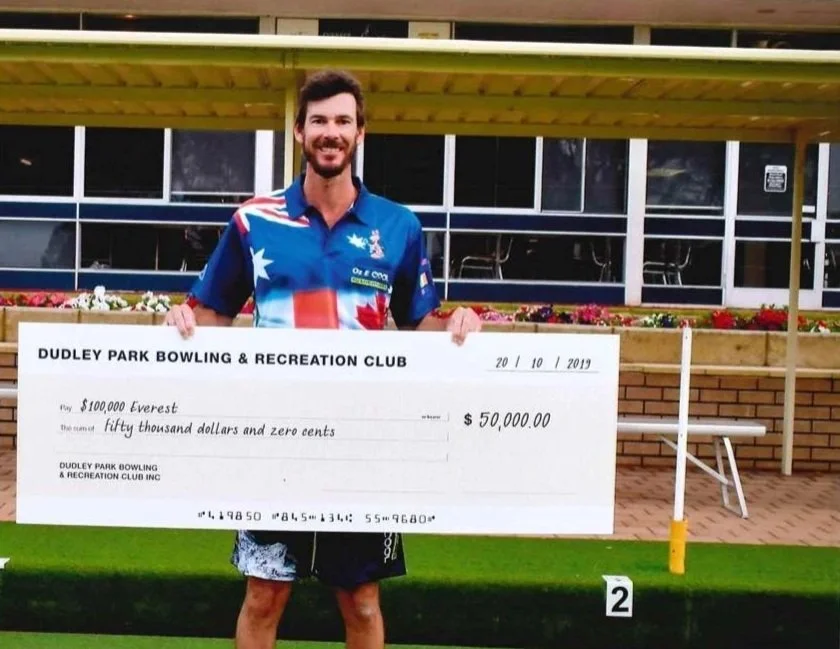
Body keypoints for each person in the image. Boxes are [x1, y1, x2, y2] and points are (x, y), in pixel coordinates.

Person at [164, 69, 482, 649]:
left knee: (361, 603)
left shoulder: (398, 225)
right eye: (319, 121)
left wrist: (455, 321)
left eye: (342, 121)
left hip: (364, 444)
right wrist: (180, 320)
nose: (330, 132)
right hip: (273, 441)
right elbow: (211, 314)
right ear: (298, 132)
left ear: (360, 132)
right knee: (264, 595)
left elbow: (420, 323)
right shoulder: (254, 221)